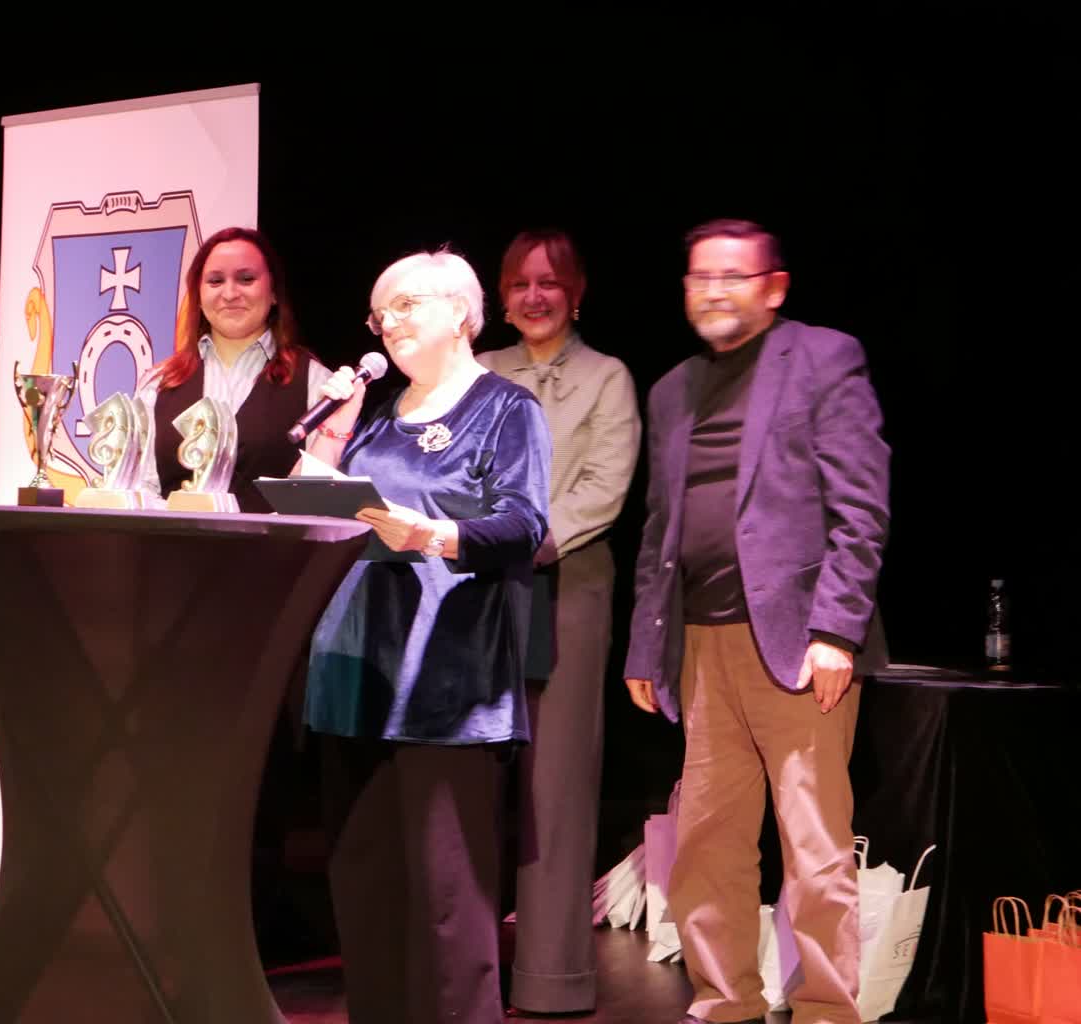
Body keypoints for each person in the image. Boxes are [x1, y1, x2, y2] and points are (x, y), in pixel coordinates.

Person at [622, 219, 890, 1024]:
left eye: (733, 276)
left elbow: (860, 508)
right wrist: (644, 645)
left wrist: (837, 630)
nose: (714, 291)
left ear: (774, 288)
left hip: (800, 644)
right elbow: (659, 529)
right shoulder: (671, 389)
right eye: (700, 277)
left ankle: (826, 1008)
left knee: (813, 844)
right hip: (700, 645)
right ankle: (725, 998)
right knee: (708, 839)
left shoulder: (824, 358)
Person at [303, 249, 551, 1023]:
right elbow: (307, 507)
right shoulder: (375, 416)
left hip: (445, 679)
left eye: (406, 305)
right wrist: (333, 428)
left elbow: (524, 523)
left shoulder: (505, 409)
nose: (390, 322)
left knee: (449, 906)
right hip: (355, 671)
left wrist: (433, 535)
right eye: (381, 312)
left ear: (460, 313)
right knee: (367, 888)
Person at [477, 228, 639, 1014]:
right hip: (476, 585)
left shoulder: (608, 377)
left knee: (557, 785)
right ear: (501, 298)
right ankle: (467, 968)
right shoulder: (478, 371)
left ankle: (551, 979)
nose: (534, 297)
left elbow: (604, 486)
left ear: (577, 295)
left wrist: (523, 538)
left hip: (566, 583)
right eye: (520, 284)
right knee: (471, 777)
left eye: (550, 283)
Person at [136, 226, 330, 512]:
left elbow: (316, 502)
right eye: (215, 281)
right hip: (171, 541)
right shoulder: (158, 383)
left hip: (272, 542)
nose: (229, 293)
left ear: (273, 292)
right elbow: (139, 489)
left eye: (246, 279)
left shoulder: (316, 383)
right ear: (198, 295)